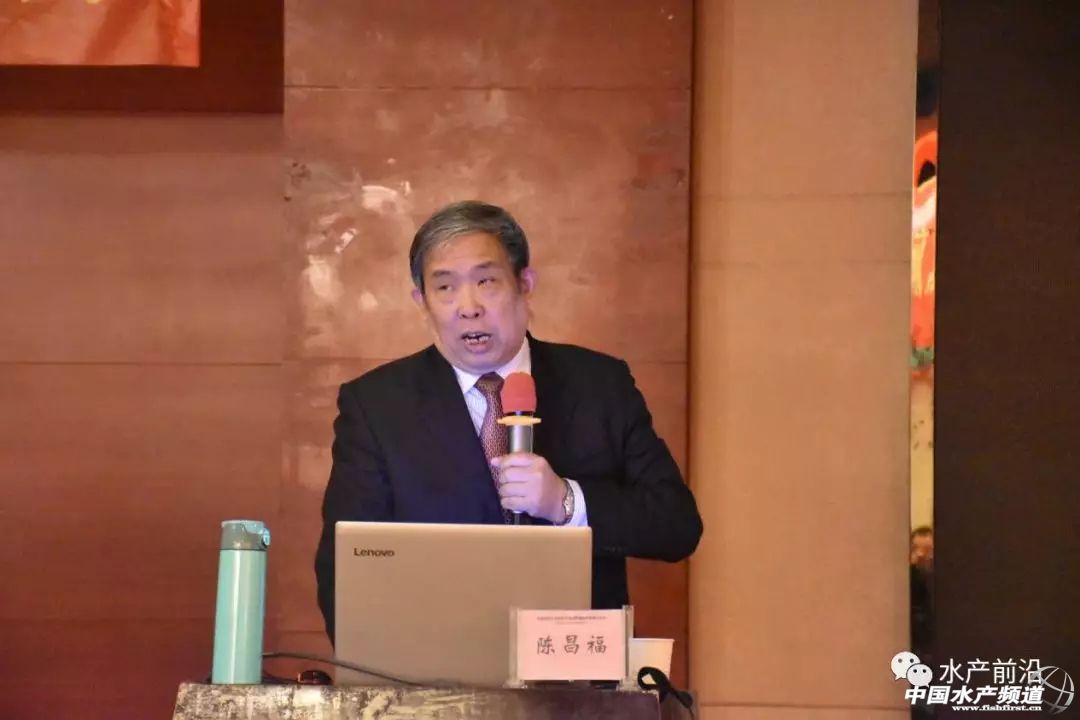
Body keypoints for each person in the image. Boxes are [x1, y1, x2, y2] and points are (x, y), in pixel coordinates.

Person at [314, 201, 703, 643]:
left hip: (573, 667)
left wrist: (566, 502)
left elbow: (677, 526)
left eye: (486, 282)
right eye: (445, 288)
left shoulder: (600, 385)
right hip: (436, 666)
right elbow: (344, 571)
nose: (469, 307)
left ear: (525, 283)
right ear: (422, 301)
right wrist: (382, 670)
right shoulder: (377, 406)